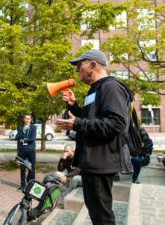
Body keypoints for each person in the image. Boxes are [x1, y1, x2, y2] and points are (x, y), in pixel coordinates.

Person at [57, 49, 128, 225]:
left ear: (93, 65)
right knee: (97, 215)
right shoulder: (95, 91)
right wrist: (74, 107)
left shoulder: (110, 87)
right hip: (92, 163)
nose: (77, 70)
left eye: (80, 65)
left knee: (102, 217)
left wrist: (78, 124)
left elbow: (116, 124)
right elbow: (93, 121)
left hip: (100, 163)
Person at [15, 114, 37, 191]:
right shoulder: (21, 127)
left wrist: (24, 140)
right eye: (25, 118)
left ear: (31, 120)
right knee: (22, 168)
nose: (27, 120)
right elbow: (16, 137)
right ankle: (22, 185)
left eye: (28, 119)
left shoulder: (33, 127)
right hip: (22, 150)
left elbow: (32, 138)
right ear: (24, 119)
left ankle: (32, 184)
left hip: (31, 150)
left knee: (32, 168)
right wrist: (23, 131)